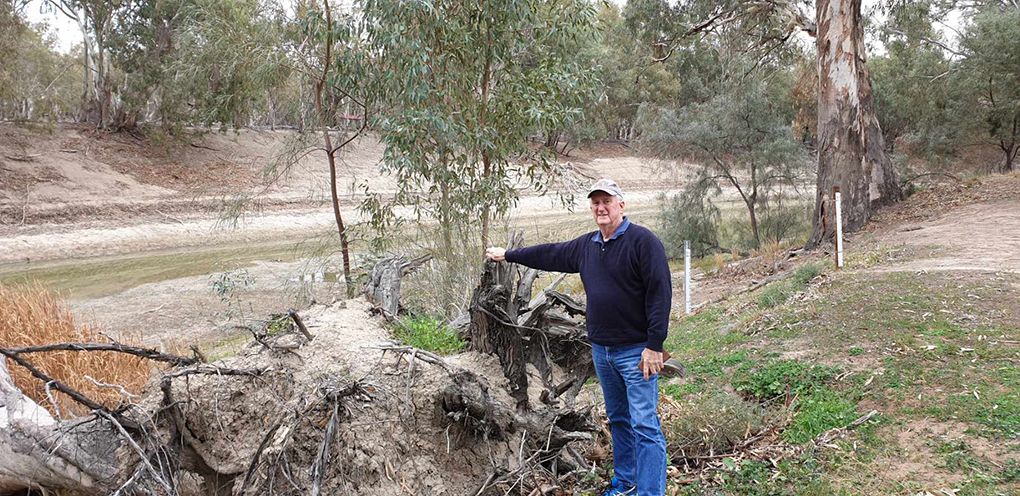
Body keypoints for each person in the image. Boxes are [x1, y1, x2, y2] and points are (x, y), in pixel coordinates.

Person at [485, 178, 669, 495]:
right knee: (620, 421)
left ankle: (650, 492)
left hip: (637, 352)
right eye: (595, 202)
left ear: (621, 205)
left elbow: (660, 294)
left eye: (607, 202)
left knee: (645, 425)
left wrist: (654, 346)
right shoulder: (588, 245)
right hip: (603, 352)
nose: (601, 208)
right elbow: (551, 254)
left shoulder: (643, 242)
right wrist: (510, 255)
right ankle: (625, 484)